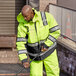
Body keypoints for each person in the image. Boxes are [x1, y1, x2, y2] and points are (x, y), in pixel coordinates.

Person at [16, 5, 60, 76]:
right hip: (34, 55)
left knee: (53, 73)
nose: (24, 18)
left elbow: (56, 31)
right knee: (35, 74)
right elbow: (20, 43)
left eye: (26, 16)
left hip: (49, 51)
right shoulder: (22, 25)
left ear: (32, 13)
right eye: (23, 16)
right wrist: (24, 59)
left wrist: (47, 44)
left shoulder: (46, 17)